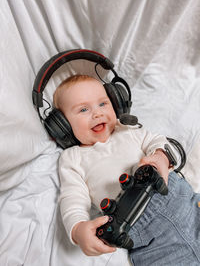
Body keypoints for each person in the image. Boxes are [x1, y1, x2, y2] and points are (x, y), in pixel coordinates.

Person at [54, 74, 200, 265]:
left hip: (185, 204)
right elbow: (72, 198)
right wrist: (78, 229)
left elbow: (157, 141)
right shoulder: (72, 159)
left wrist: (159, 157)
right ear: (63, 127)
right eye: (83, 109)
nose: (97, 113)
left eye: (103, 104)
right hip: (149, 240)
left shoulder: (128, 130)